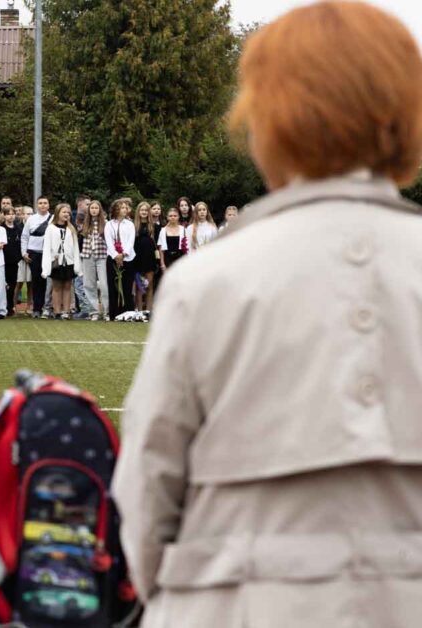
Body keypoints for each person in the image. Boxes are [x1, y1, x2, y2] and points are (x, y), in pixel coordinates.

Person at [116, 4, 422, 626]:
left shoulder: (205, 279)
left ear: (268, 119)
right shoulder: (206, 276)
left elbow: (147, 487)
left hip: (232, 603)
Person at [41, 203, 82, 320]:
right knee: (57, 286)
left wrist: (76, 263)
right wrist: (47, 263)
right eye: (64, 212)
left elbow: (75, 247)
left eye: (68, 213)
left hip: (69, 261)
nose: (66, 214)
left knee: (68, 286)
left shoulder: (71, 228)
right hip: (56, 261)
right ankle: (57, 311)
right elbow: (47, 247)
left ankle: (66, 311)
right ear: (58, 213)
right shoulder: (51, 228)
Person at [77, 200, 108, 321]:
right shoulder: (84, 224)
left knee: (104, 285)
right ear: (89, 210)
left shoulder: (105, 224)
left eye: (96, 208)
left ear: (100, 210)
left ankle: (106, 311)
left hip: (102, 256)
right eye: (92, 208)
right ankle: (94, 311)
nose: (94, 210)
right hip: (87, 255)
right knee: (89, 285)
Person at [104, 199, 136, 318]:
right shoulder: (109, 224)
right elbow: (109, 241)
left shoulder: (130, 224)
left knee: (127, 286)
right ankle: (114, 313)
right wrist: (115, 255)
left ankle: (128, 311)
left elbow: (130, 241)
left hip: (128, 259)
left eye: (126, 207)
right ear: (116, 210)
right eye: (122, 207)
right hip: (113, 258)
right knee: (114, 287)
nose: (125, 209)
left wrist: (123, 254)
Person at [21, 197, 53, 317]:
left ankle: (48, 307)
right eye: (40, 203)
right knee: (37, 282)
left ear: (48, 205)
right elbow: (24, 237)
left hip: (49, 254)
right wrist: (24, 253)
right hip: (34, 253)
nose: (43, 205)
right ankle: (37, 309)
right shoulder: (31, 219)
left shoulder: (53, 219)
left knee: (49, 282)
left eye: (45, 203)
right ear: (37, 205)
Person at [133, 202, 159, 312]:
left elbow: (158, 244)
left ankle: (148, 311)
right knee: (139, 287)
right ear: (138, 212)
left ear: (149, 212)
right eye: (141, 210)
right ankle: (139, 311)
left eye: (146, 210)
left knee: (149, 285)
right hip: (137, 258)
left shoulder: (155, 227)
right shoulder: (133, 226)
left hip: (150, 258)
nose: (143, 212)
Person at [2, 203, 23, 316]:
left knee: (12, 285)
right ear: (3, 215)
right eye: (8, 214)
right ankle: (1, 306)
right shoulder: (1, 228)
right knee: (2, 285)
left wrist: (19, 257)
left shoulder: (18, 229)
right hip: (2, 261)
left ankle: (10, 307)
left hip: (14, 262)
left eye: (12, 214)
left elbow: (21, 244)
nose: (10, 216)